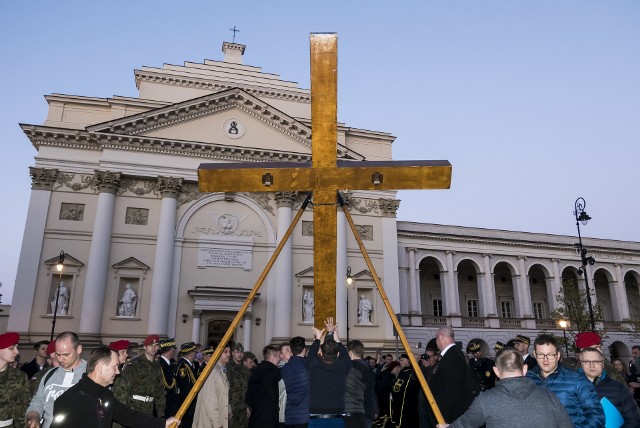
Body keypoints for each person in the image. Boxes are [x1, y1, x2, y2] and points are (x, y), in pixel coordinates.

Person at [436, 347, 573, 428]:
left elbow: (463, 425)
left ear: (496, 371)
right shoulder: (549, 396)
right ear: (524, 369)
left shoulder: (485, 400)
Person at [50, 346, 180, 427]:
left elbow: (129, 416)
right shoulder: (69, 400)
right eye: (115, 367)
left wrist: (162, 424)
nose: (118, 372)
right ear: (100, 368)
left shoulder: (105, 395)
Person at [526, 333, 604, 427]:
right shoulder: (526, 380)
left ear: (558, 355)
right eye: (541, 355)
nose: (545, 360)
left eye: (550, 355)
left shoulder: (577, 380)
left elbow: (596, 415)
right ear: (535, 354)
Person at [26, 331, 87, 428]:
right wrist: (34, 418)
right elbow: (37, 403)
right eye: (58, 355)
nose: (61, 359)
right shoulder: (49, 375)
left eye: (66, 354)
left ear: (79, 349)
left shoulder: (92, 375)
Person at [427, 326, 476, 426]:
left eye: (436, 338)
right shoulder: (452, 355)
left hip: (448, 418)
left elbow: (452, 392)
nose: (436, 342)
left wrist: (445, 421)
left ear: (441, 337)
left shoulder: (452, 357)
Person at [579, 347, 640, 427]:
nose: (592, 365)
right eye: (587, 361)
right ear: (581, 364)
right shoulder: (571, 388)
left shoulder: (619, 388)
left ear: (603, 364)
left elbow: (633, 419)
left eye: (596, 361)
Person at [113, 334, 165, 425]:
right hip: (134, 408)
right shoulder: (133, 364)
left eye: (156, 345)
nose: (153, 348)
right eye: (150, 345)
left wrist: (161, 413)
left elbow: (159, 391)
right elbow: (123, 389)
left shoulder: (157, 366)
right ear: (144, 347)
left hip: (149, 409)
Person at [307, 317, 351, 426]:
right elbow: (346, 356)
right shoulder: (342, 366)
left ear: (321, 353)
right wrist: (336, 338)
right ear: (337, 354)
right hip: (337, 417)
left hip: (316, 418)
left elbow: (311, 355)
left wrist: (318, 338)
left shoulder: (314, 366)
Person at [194, 341, 231, 428]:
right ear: (218, 353)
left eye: (229, 352)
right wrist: (217, 424)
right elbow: (210, 402)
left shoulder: (221, 370)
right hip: (210, 422)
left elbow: (223, 394)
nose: (229, 354)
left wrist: (228, 410)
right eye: (225, 352)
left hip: (218, 418)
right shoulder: (212, 371)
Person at [0, 332, 31, 428]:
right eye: (11, 348)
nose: (17, 352)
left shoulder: (19, 376)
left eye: (17, 347)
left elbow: (23, 409)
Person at [246, 345, 282, 428]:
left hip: (255, 417)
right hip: (269, 419)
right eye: (278, 357)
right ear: (272, 357)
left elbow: (248, 398)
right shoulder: (273, 372)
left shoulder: (254, 371)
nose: (279, 359)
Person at [344, 339, 377, 428]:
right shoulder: (368, 367)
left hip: (357, 411)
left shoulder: (352, 367)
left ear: (350, 352)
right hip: (368, 410)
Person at [281, 336, 310, 428]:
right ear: (304, 349)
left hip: (290, 416)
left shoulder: (284, 368)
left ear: (292, 351)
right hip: (305, 415)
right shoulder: (307, 364)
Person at [390, 353, 419, 427]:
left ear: (408, 361)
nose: (400, 362)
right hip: (397, 402)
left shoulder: (412, 373)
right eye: (399, 360)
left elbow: (412, 388)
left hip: (407, 405)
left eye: (402, 360)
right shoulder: (401, 372)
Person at [176, 342, 199, 428]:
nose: (196, 355)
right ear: (190, 354)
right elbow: (185, 388)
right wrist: (189, 409)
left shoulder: (188, 365)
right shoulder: (183, 367)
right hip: (187, 408)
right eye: (194, 353)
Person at [227, 342, 250, 428]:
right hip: (232, 407)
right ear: (232, 353)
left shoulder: (245, 370)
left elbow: (246, 389)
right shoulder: (228, 368)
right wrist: (228, 408)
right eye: (237, 352)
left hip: (243, 407)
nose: (239, 354)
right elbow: (226, 389)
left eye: (241, 352)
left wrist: (247, 406)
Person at [159, 338, 180, 418]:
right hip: (166, 406)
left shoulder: (168, 364)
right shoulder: (160, 365)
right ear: (171, 350)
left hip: (170, 405)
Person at [278, 343, 293, 427]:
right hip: (283, 412)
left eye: (291, 350)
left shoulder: (292, 368)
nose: (290, 352)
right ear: (281, 355)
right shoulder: (280, 370)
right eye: (287, 350)